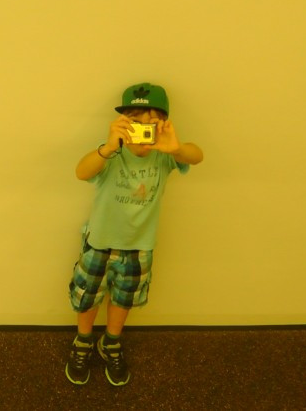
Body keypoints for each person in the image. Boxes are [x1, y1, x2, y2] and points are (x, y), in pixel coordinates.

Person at [65, 82, 203, 386]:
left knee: (124, 298)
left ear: (163, 125)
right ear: (122, 124)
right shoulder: (111, 153)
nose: (141, 131)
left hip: (140, 246)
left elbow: (197, 155)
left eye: (149, 124)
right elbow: (81, 171)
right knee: (88, 296)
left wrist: (176, 148)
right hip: (99, 242)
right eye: (134, 123)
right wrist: (107, 147)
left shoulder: (165, 156)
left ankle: (111, 341)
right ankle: (83, 340)